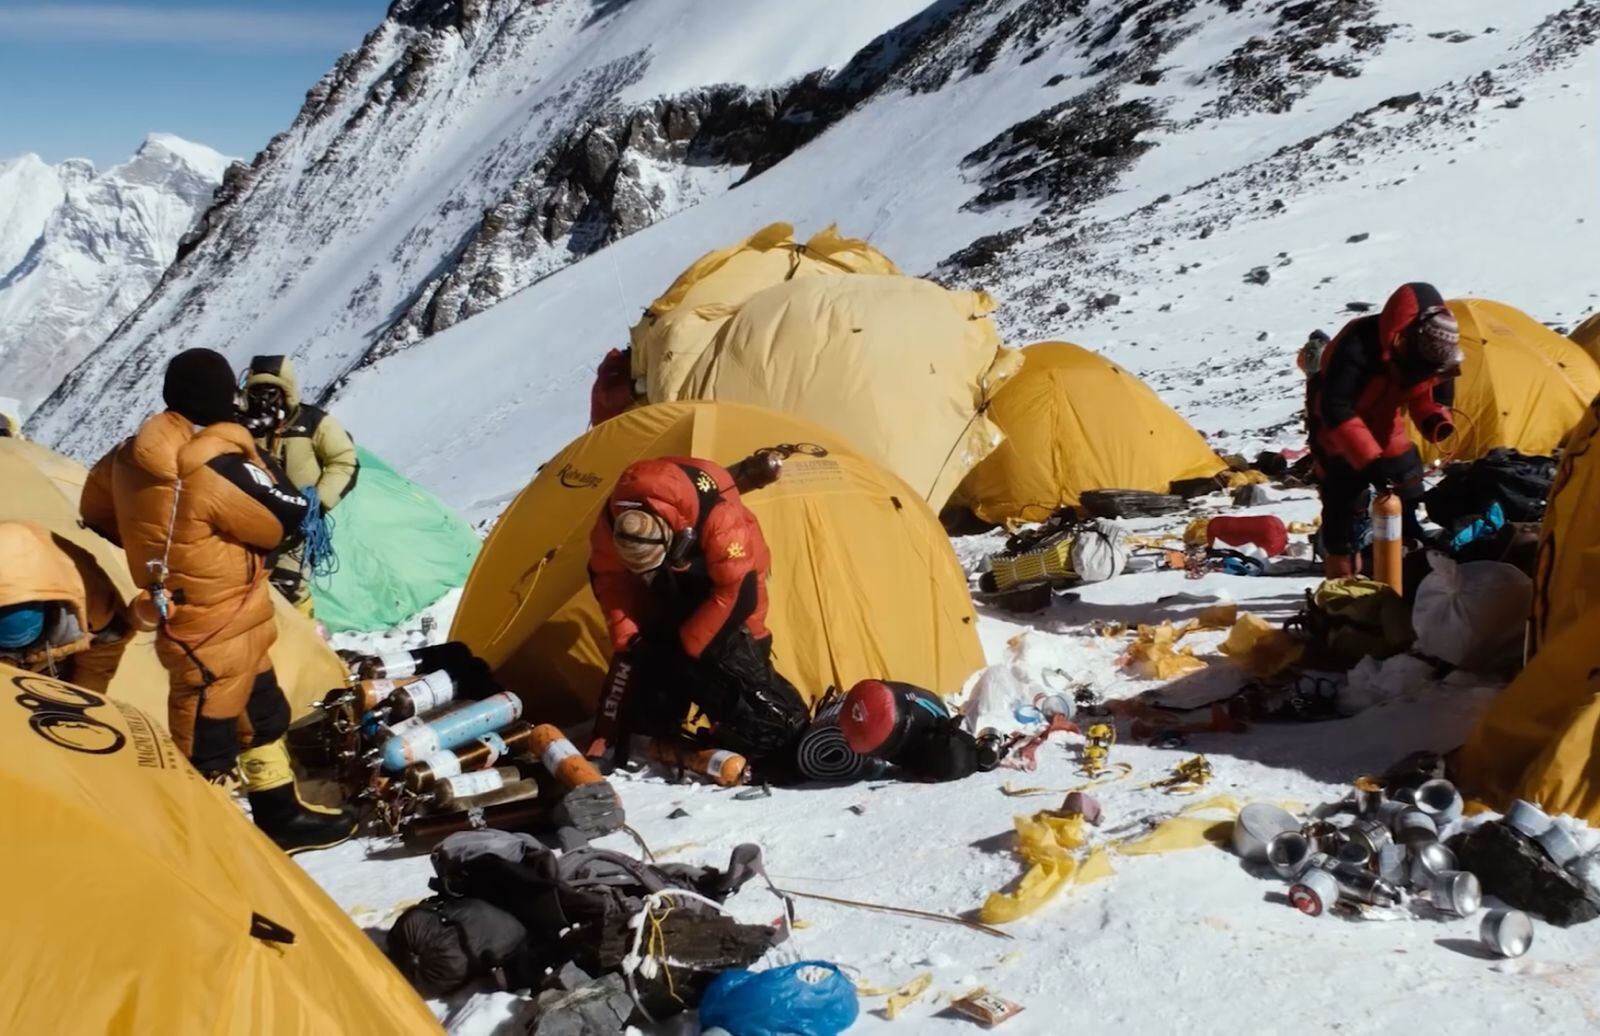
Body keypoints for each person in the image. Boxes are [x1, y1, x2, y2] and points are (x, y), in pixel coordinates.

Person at [81, 348, 355, 853]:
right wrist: (249, 450)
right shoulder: (211, 463)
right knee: (205, 739)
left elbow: (93, 508)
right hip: (219, 614)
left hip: (200, 610)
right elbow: (285, 518)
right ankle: (195, 847)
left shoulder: (129, 453)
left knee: (259, 710)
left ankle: (279, 812)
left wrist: (161, 544)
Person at [584, 457, 809, 772]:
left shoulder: (721, 517)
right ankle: (654, 731)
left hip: (734, 580)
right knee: (650, 652)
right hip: (678, 568)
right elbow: (609, 579)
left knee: (734, 657)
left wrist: (688, 647)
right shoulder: (613, 520)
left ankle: (757, 732)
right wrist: (628, 635)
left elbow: (738, 592)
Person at [1306, 283, 1462, 576]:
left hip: (1385, 421)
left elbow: (1429, 392)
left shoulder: (1433, 354)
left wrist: (1434, 418)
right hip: (1335, 427)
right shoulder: (1357, 344)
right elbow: (1335, 407)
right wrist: (1369, 461)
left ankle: (1408, 559)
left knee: (1408, 484)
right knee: (1343, 503)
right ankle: (1342, 586)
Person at [241, 355, 359, 616]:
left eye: (271, 394)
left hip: (297, 531)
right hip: (251, 528)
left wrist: (316, 504)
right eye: (256, 393)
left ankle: (301, 638)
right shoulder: (242, 428)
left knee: (288, 591)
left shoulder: (314, 423)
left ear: (287, 392)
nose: (263, 403)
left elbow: (344, 461)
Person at [0, 521, 131, 692]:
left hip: (61, 648)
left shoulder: (96, 604)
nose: (15, 655)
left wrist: (81, 702)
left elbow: (99, 663)